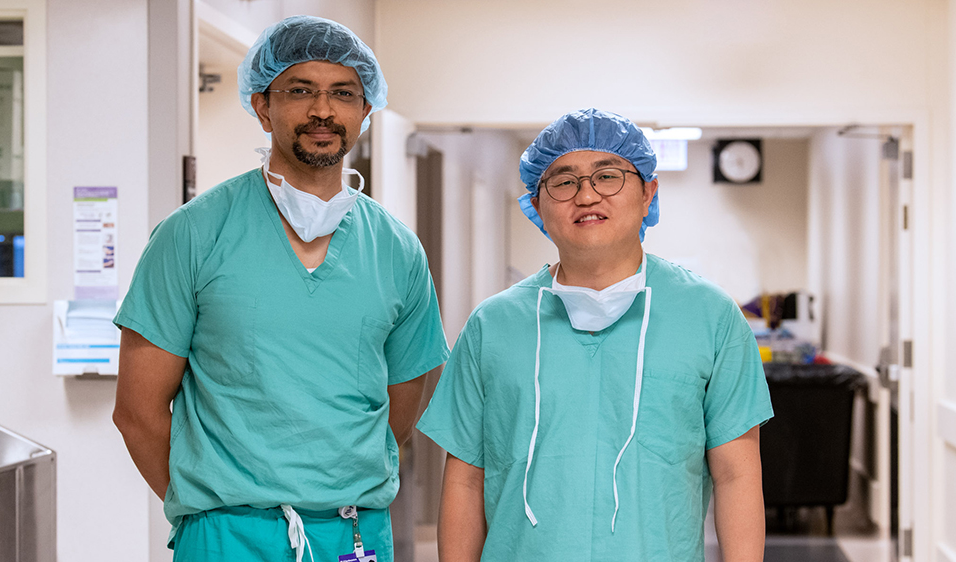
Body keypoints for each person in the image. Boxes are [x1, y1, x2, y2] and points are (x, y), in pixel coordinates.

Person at [112, 15, 448, 562]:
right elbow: (138, 411)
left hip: (352, 533)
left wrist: (334, 478)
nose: (323, 110)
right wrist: (212, 507)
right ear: (263, 106)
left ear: (365, 111)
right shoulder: (194, 234)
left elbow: (403, 399)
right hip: (227, 534)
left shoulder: (396, 249)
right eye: (300, 91)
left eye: (343, 93)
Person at [417, 108, 773, 562]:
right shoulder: (493, 326)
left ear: (648, 193)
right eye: (563, 182)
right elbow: (466, 479)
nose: (586, 195)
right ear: (537, 204)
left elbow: (736, 476)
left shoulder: (710, 317)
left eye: (608, 176)